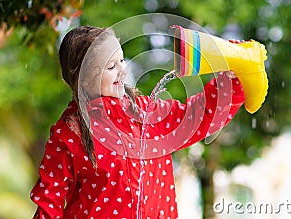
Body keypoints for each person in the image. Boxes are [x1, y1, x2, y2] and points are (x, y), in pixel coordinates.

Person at [30, 25, 245, 219]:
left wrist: (235, 78)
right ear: (86, 77)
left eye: (122, 60)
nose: (122, 69)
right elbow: (50, 200)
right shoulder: (70, 132)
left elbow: (197, 116)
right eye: (111, 66)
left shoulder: (146, 113)